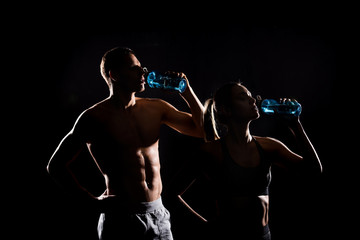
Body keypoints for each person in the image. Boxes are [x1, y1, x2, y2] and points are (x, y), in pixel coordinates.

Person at [46, 47, 205, 240]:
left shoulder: (156, 108)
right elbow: (55, 166)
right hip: (122, 218)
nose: (142, 72)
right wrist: (92, 202)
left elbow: (202, 130)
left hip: (158, 213)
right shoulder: (94, 117)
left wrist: (186, 91)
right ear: (114, 75)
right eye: (134, 68)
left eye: (141, 67)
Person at [177, 82, 322, 240]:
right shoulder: (211, 152)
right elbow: (171, 194)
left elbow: (313, 169)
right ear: (226, 110)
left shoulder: (269, 147)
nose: (253, 100)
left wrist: (296, 125)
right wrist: (205, 228)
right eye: (242, 97)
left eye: (251, 96)